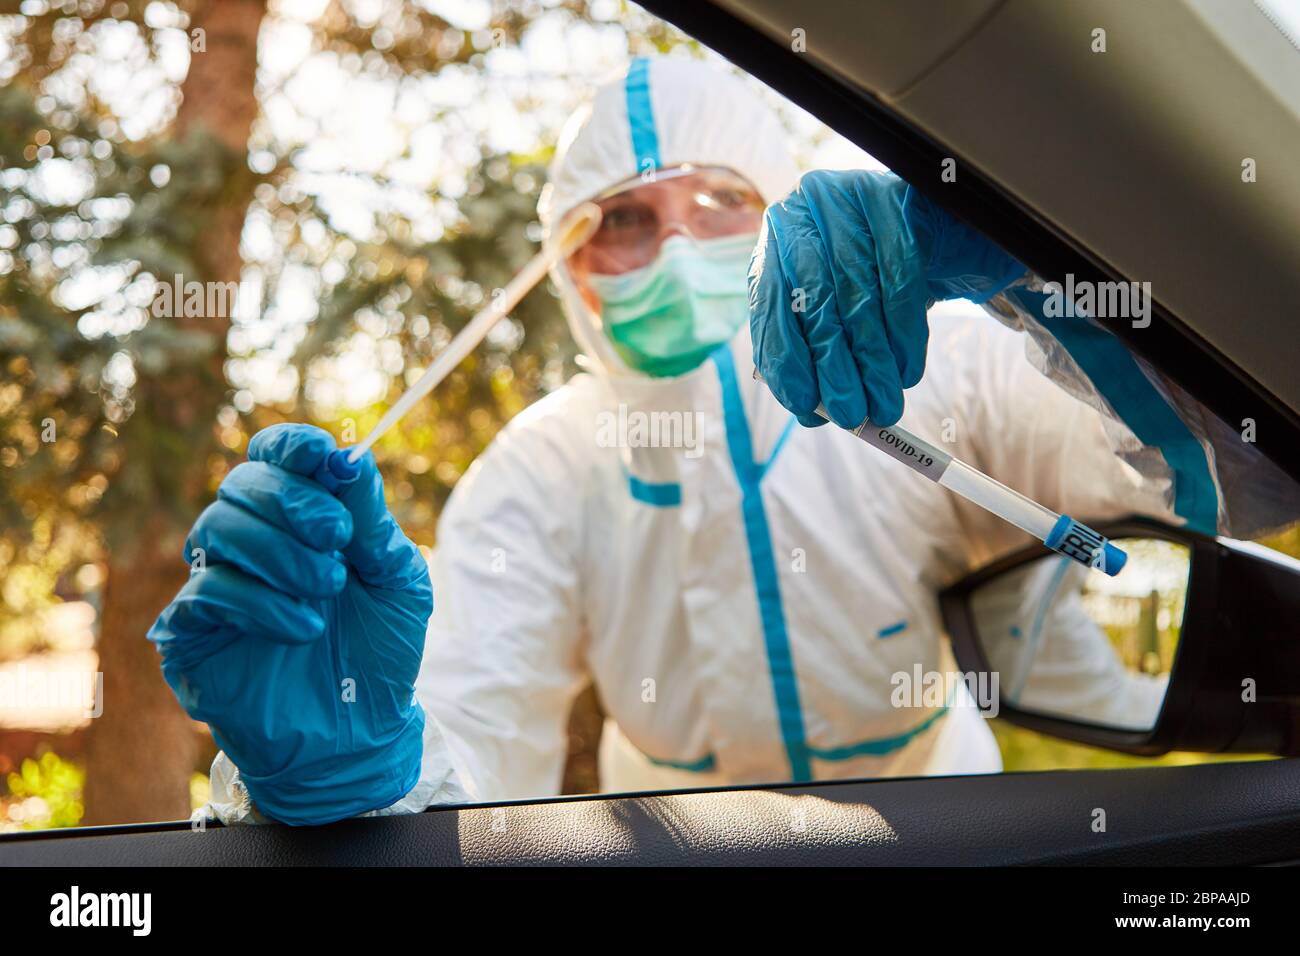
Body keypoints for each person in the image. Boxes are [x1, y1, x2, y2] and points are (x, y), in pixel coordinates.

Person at [149, 57, 1296, 825]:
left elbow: (1242, 468)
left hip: (946, 843)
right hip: (680, 857)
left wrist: (1040, 268)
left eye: (720, 206)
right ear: (568, 271)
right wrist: (354, 773)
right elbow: (478, 748)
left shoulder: (939, 374)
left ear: (791, 213)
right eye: (626, 223)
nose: (674, 247)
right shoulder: (542, 467)